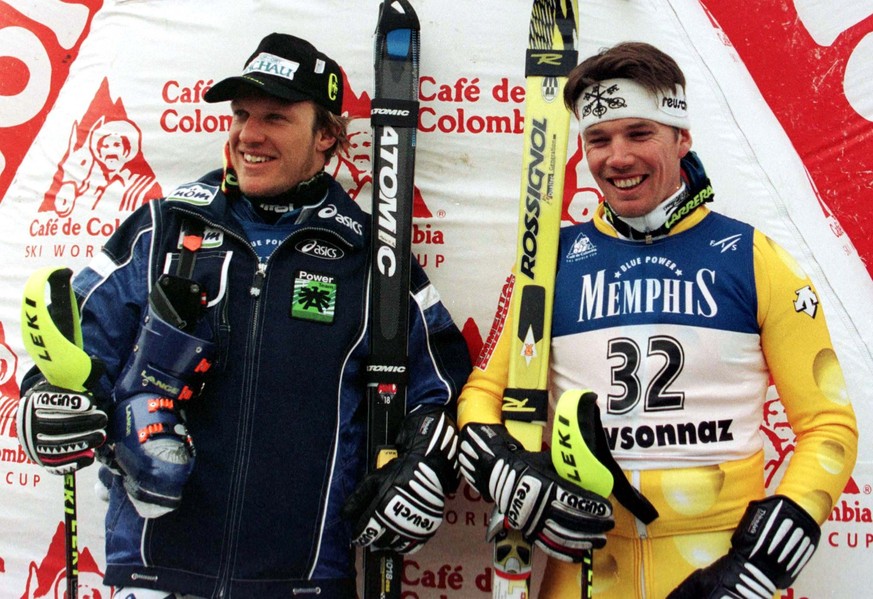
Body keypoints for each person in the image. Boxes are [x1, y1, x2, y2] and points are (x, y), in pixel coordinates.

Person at [16, 33, 471, 598]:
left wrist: (425, 466)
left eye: (276, 117)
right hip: (155, 575)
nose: (249, 134)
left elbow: (445, 387)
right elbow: (74, 355)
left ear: (327, 134)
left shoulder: (371, 257)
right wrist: (47, 400)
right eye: (241, 114)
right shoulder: (162, 227)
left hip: (303, 581)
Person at [457, 41, 858, 599]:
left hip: (719, 565)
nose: (616, 157)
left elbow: (828, 427)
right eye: (598, 139)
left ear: (682, 137)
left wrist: (762, 562)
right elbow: (482, 395)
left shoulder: (752, 255)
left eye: (638, 134)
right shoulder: (544, 263)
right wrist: (511, 470)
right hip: (586, 564)